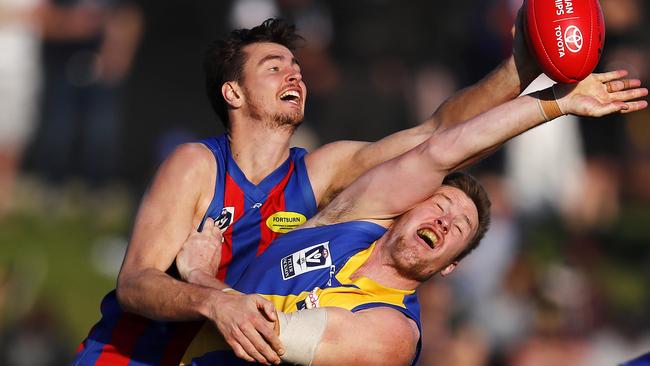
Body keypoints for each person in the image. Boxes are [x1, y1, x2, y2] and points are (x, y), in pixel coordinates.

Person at [72, 14, 609, 365]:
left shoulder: (321, 173)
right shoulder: (198, 165)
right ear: (232, 91)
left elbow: (437, 137)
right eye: (274, 65)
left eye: (298, 68)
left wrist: (525, 66)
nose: (295, 74)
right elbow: (136, 286)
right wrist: (211, 301)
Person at [176, 71, 648, 365]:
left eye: (457, 230)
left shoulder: (393, 333)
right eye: (439, 209)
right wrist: (554, 103)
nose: (444, 222)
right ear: (402, 212)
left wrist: (197, 274)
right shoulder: (347, 219)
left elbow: (267, 333)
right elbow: (442, 148)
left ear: (448, 267)